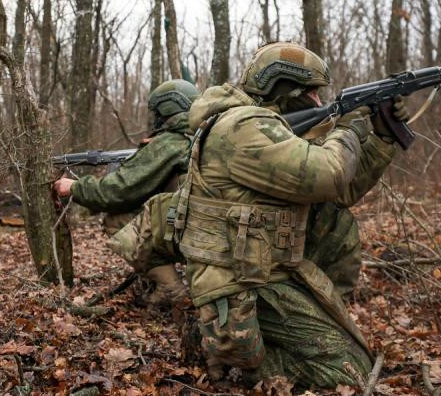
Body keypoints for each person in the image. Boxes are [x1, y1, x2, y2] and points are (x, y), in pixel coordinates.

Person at [174, 42, 408, 388]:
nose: (318, 102)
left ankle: (256, 344)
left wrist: (382, 138)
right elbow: (329, 174)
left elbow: (341, 190)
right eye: (312, 93)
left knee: (355, 355)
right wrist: (346, 128)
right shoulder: (242, 128)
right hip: (236, 280)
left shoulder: (270, 128)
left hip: (263, 268)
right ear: (284, 89)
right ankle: (217, 346)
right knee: (349, 373)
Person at [53, 79, 200, 307]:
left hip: (192, 231)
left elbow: (117, 191)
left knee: (117, 220)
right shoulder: (200, 137)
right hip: (212, 229)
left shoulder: (171, 143)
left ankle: (170, 289)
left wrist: (74, 187)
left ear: (166, 109)